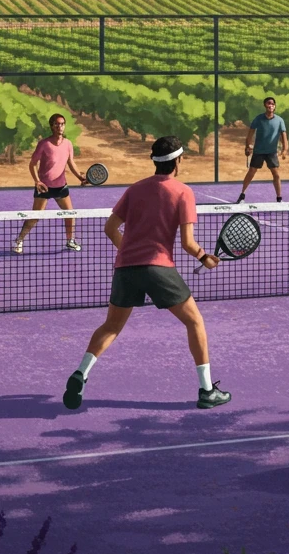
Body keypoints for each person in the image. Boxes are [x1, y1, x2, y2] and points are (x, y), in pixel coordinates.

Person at [62, 135, 232, 411]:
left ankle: (80, 373)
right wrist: (205, 258)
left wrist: (128, 252)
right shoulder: (183, 192)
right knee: (195, 323)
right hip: (158, 267)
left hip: (125, 268)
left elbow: (110, 229)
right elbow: (188, 243)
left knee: (112, 327)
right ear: (177, 161)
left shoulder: (135, 189)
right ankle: (206, 390)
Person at [13, 113, 87, 254]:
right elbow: (32, 164)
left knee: (70, 214)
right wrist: (37, 182)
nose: (60, 126)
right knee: (35, 217)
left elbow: (71, 162)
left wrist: (80, 177)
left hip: (61, 187)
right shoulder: (44, 144)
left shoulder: (68, 144)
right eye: (57, 124)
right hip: (44, 187)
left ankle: (70, 241)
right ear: (52, 126)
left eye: (62, 124)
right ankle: (19, 240)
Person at [236, 96, 288, 203]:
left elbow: (284, 137)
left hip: (271, 152)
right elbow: (250, 134)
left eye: (272, 104)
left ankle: (279, 198)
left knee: (276, 174)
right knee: (251, 172)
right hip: (258, 151)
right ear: (265, 105)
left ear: (275, 106)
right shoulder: (258, 119)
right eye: (268, 103)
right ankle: (242, 195)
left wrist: (284, 150)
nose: (271, 105)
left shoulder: (280, 120)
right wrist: (247, 146)